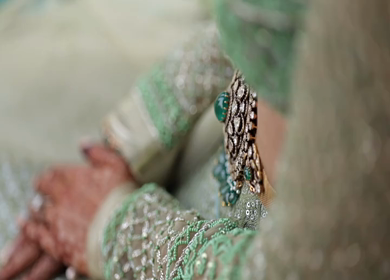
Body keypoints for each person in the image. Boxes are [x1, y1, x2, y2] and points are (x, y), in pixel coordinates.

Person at [2, 0, 390, 279]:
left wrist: (117, 230)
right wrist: (127, 146)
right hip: (206, 166)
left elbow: (311, 267)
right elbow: (247, 36)